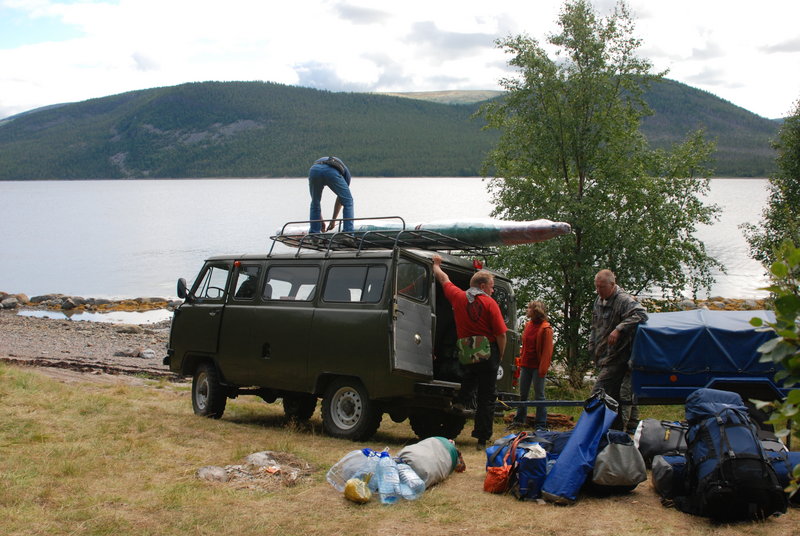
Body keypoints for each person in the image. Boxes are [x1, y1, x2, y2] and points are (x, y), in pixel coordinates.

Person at [432, 254, 507, 449]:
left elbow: (443, 279)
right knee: (486, 397)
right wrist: (501, 354)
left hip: (467, 352)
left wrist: (437, 265)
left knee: (470, 376)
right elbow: (501, 334)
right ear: (482, 286)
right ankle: (482, 438)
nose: (492, 290)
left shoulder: (457, 296)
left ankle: (460, 402)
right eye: (491, 286)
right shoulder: (490, 303)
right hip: (487, 352)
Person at [588, 269, 648, 431]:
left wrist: (619, 328)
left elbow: (641, 314)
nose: (598, 290)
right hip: (605, 355)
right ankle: (620, 428)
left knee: (598, 392)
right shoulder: (598, 300)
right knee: (615, 396)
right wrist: (592, 345)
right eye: (597, 287)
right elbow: (595, 325)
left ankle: (590, 427)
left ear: (612, 285)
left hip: (620, 357)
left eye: (602, 287)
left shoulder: (623, 300)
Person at [508, 301, 553, 431]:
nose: (527, 310)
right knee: (523, 394)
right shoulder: (528, 325)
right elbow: (525, 345)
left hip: (537, 367)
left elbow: (547, 352)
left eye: (529, 308)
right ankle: (519, 420)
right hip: (525, 365)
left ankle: (540, 424)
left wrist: (542, 369)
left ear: (536, 311)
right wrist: (520, 361)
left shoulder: (546, 329)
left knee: (539, 395)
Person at [307, 156, 354, 233]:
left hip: (314, 170)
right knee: (348, 202)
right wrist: (333, 220)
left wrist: (320, 220)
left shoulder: (339, 167)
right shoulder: (346, 176)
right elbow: (342, 199)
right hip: (331, 170)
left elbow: (316, 203)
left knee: (315, 202)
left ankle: (314, 235)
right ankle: (348, 233)